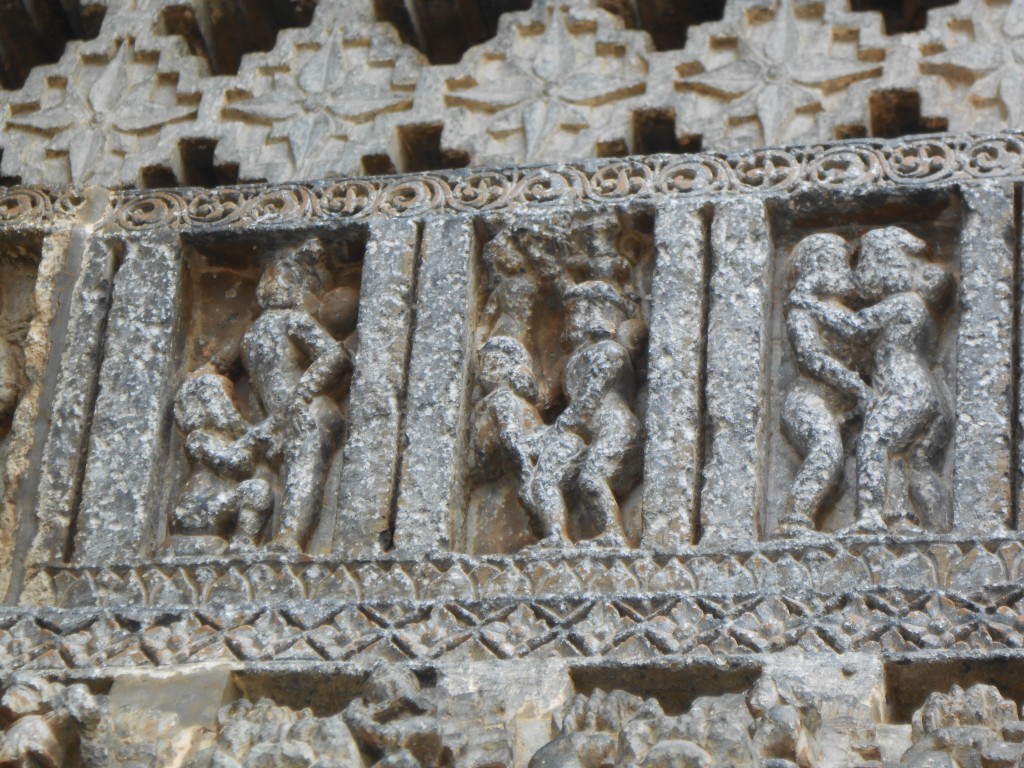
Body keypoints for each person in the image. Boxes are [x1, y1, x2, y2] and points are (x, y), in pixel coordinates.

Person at [241, 237, 350, 551]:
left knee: (303, 467)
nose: (272, 283)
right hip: (277, 420)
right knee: (282, 474)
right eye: (269, 276)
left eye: (284, 277)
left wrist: (302, 394)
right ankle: (260, 537)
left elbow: (333, 355)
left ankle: (291, 538)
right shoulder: (252, 334)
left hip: (309, 411)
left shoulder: (294, 321)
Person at [779, 234, 869, 535]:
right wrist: (856, 387)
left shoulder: (841, 312)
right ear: (818, 265)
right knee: (826, 453)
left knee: (839, 471)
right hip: (809, 402)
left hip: (838, 408)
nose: (846, 272)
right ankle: (794, 522)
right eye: (838, 264)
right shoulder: (801, 309)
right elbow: (811, 358)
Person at [170, 367, 272, 550]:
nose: (236, 406)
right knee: (256, 490)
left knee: (258, 490)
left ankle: (242, 543)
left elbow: (245, 467)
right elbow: (229, 463)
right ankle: (242, 543)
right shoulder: (199, 438)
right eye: (231, 400)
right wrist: (252, 440)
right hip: (197, 512)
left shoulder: (228, 439)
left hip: (219, 507)